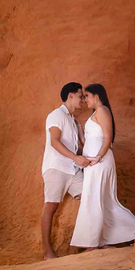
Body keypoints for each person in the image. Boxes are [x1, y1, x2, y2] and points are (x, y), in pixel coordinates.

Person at [70, 83, 135, 250]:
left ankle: (94, 242)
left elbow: (108, 138)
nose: (84, 99)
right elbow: (89, 139)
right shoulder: (96, 113)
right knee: (103, 201)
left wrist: (98, 158)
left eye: (86, 96)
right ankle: (104, 239)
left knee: (95, 198)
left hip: (100, 162)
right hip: (94, 163)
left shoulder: (102, 110)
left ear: (96, 96)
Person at [41, 82, 89, 260]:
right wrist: (75, 157)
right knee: (51, 207)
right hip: (56, 168)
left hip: (72, 169)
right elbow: (54, 141)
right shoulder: (56, 115)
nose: (82, 100)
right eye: (80, 96)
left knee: (89, 198)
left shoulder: (73, 120)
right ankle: (47, 253)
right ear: (70, 96)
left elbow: (78, 146)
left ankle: (90, 245)